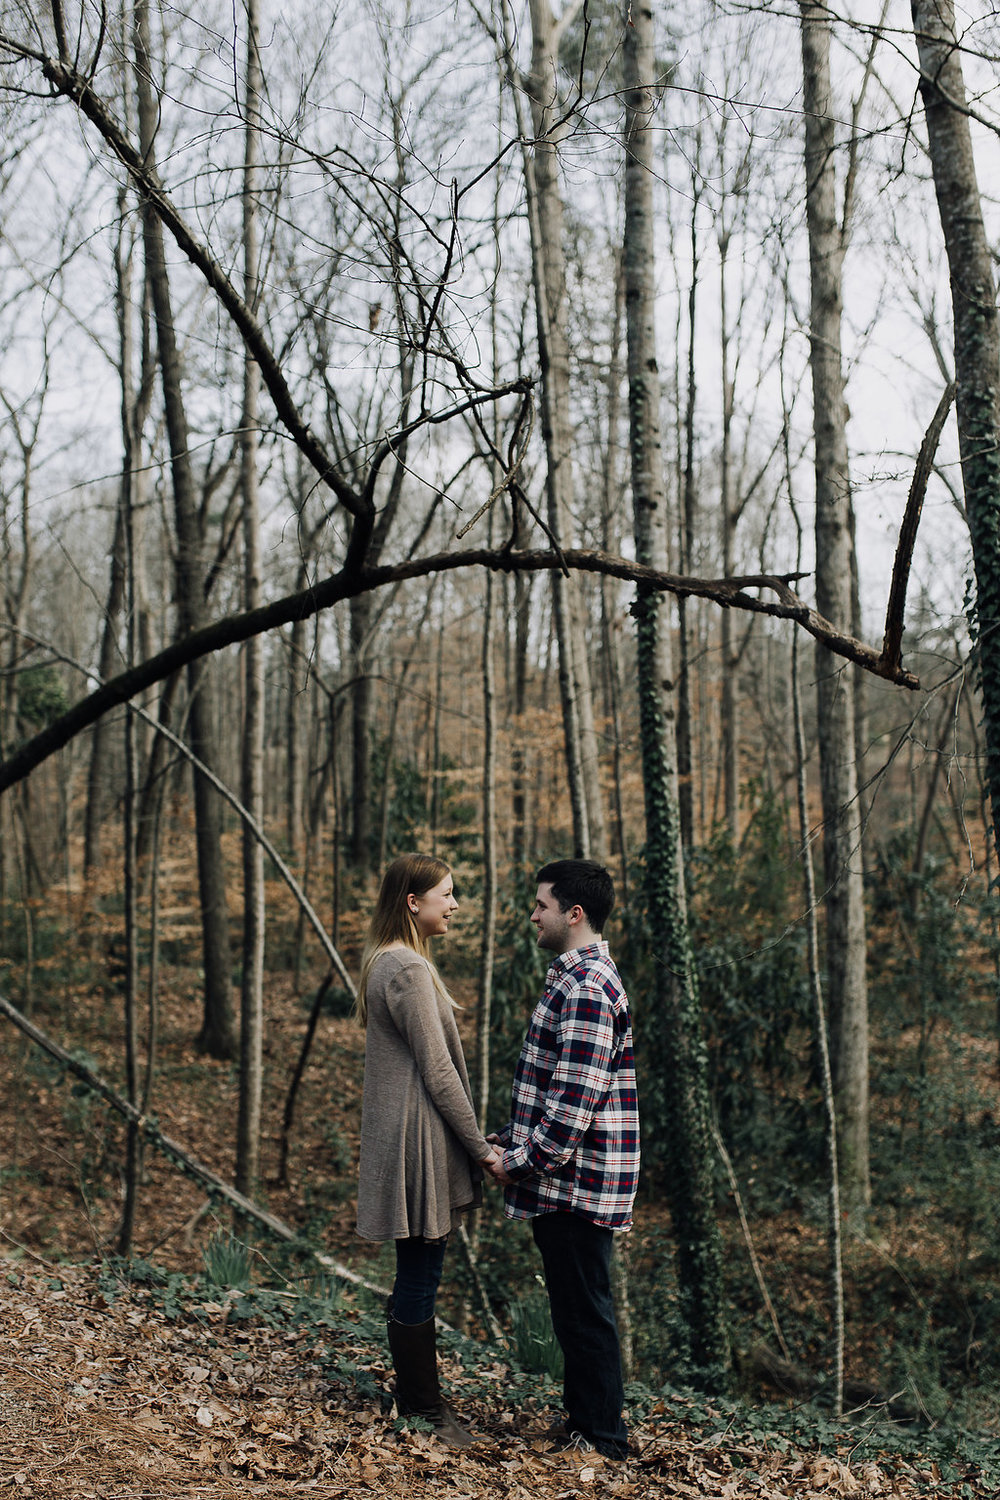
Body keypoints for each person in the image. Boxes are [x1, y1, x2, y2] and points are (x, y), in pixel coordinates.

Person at [488, 860, 640, 1460]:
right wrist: (510, 1139)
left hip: (575, 1183)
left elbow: (573, 1108)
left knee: (585, 1312)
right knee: (575, 1308)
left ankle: (602, 1439)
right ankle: (585, 1423)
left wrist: (519, 1162)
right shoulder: (576, 979)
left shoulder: (585, 988)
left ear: (573, 914)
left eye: (541, 905)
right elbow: (556, 1090)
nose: (533, 914)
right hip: (565, 1178)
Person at [355, 853, 501, 1447]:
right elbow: (439, 1074)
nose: (455, 903)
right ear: (413, 902)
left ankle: (420, 1402)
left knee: (416, 1269)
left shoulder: (391, 962)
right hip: (417, 1140)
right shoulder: (408, 970)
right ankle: (423, 1410)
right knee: (421, 1272)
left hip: (410, 1134)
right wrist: (481, 1149)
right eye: (447, 893)